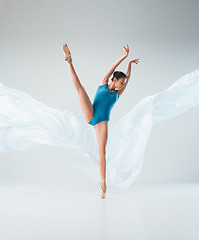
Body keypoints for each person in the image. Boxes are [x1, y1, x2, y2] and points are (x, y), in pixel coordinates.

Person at [62, 44, 140, 198]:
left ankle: (103, 183)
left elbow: (128, 79)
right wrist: (124, 57)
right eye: (121, 82)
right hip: (91, 114)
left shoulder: (117, 94)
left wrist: (130, 64)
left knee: (102, 152)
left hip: (101, 122)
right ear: (115, 79)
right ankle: (69, 61)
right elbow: (112, 66)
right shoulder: (104, 83)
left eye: (123, 84)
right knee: (80, 89)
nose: (122, 85)